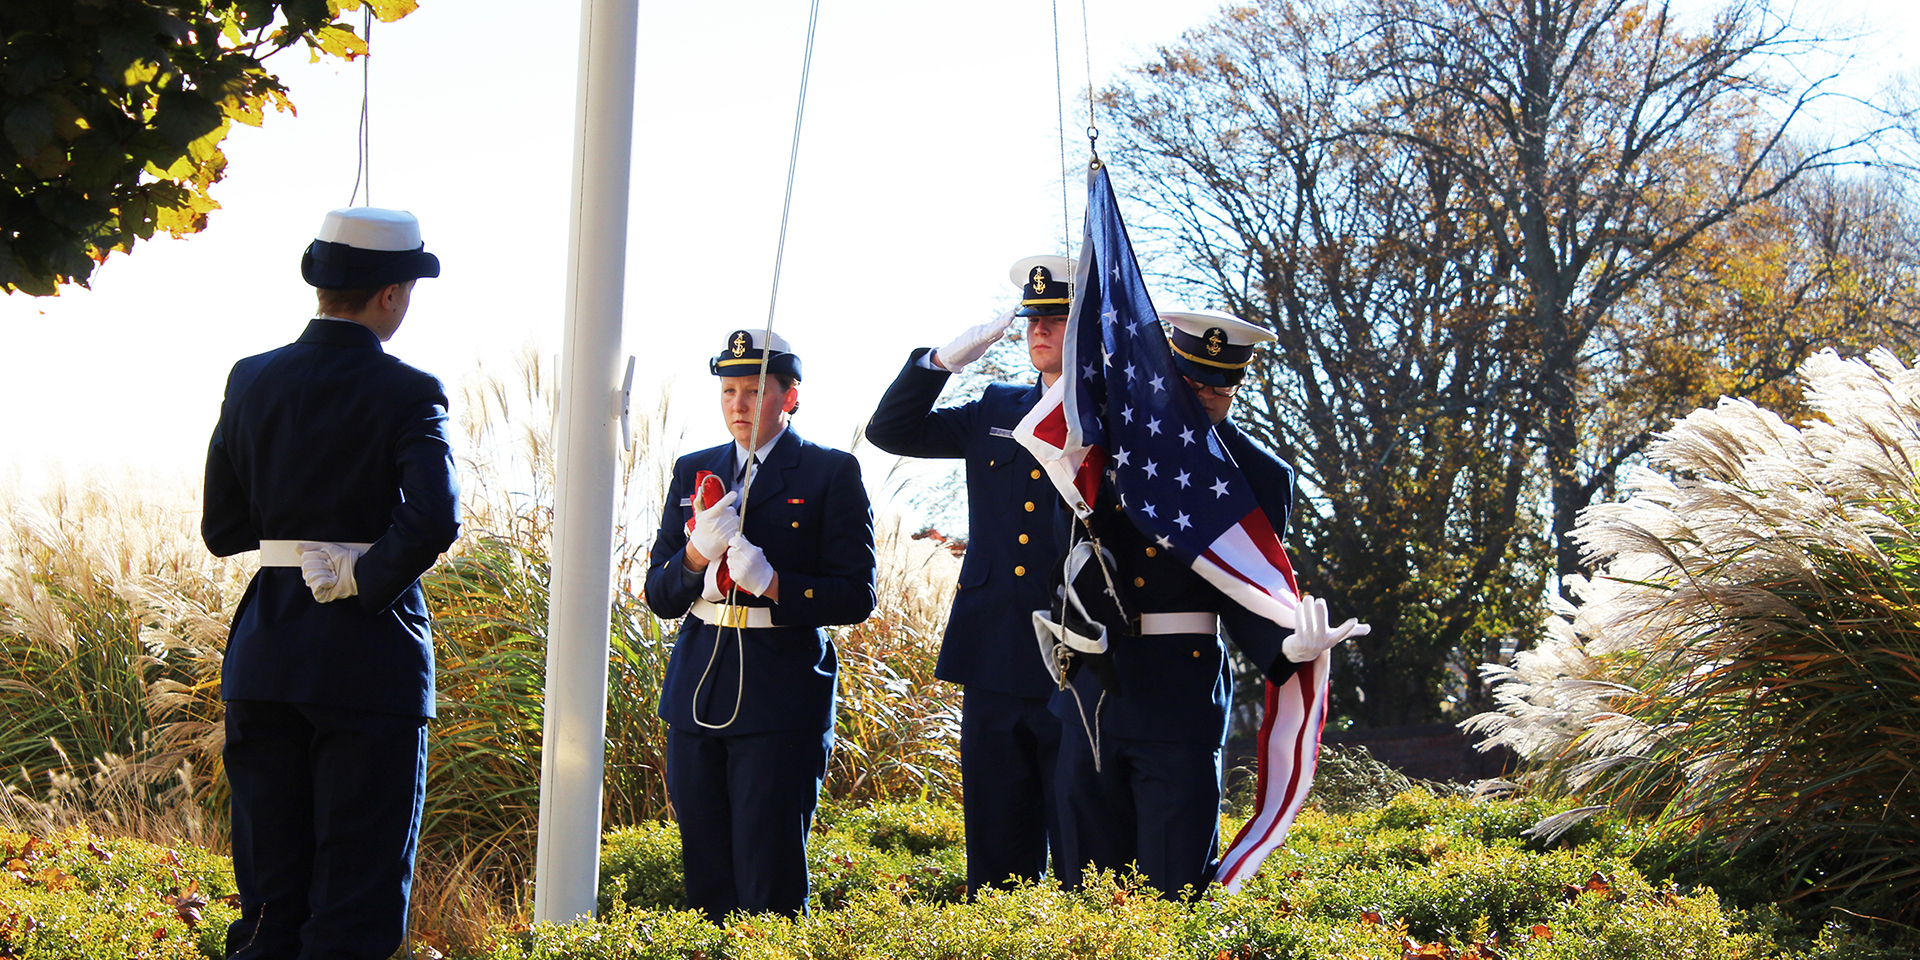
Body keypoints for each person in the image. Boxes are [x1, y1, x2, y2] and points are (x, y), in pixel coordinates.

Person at [203, 207, 459, 960]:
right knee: (355, 906)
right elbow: (435, 518)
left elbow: (223, 529)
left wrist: (297, 528)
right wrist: (362, 574)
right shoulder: (410, 389)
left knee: (267, 908)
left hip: (265, 651)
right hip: (367, 660)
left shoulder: (249, 378)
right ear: (390, 293)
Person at [1047, 308, 1326, 900]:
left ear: (1238, 385)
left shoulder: (1257, 473)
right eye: (1188, 382)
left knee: (1174, 887)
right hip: (1096, 681)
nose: (1201, 397)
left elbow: (1250, 582)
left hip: (1180, 693)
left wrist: (1286, 647)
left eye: (1218, 386)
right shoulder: (1109, 443)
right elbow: (1061, 546)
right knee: (1084, 888)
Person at [644, 330, 876, 921]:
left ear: (789, 397)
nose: (738, 405)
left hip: (779, 696)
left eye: (753, 390)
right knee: (706, 878)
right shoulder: (694, 470)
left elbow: (856, 595)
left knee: (767, 879)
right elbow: (660, 594)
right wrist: (694, 557)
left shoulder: (829, 473)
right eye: (729, 391)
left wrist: (774, 584)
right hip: (699, 688)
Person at [865, 255, 1073, 893]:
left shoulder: (1114, 415)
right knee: (995, 840)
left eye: (1056, 317)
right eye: (1033, 317)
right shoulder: (995, 406)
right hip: (991, 647)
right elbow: (890, 431)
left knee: (1079, 841)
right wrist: (939, 364)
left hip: (1078, 648)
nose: (1039, 329)